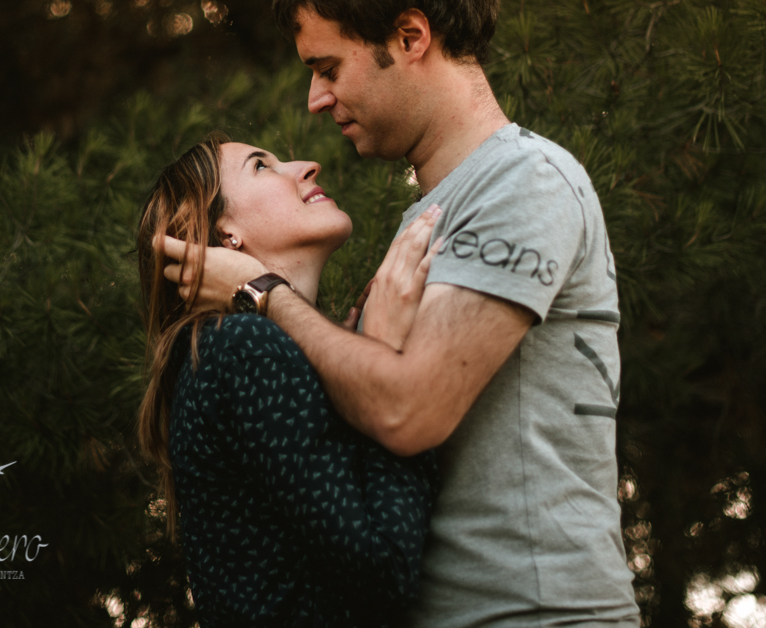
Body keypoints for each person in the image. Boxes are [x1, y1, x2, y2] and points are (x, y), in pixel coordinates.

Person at [158, 1, 641, 627]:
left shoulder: (521, 181)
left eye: (329, 68)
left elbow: (407, 410)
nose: (315, 99)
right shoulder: (427, 219)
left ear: (411, 37)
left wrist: (265, 292)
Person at [136, 132, 439, 628]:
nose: (308, 165)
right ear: (227, 235)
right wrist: (385, 364)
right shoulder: (242, 347)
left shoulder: (223, 351)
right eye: (261, 166)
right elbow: (384, 571)